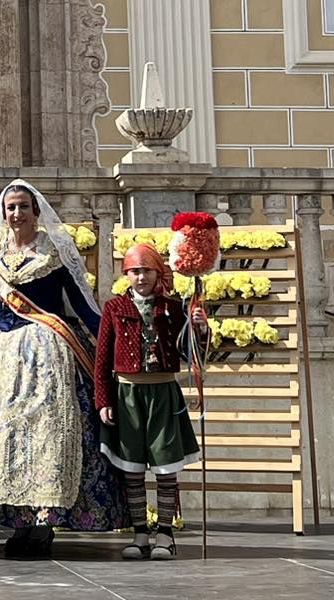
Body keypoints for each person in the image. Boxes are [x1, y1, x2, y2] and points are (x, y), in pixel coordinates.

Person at [0, 179, 127, 557]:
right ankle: (17, 521)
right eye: (11, 207)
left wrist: (117, 339)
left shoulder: (53, 253)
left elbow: (81, 306)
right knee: (2, 437)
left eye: (22, 206)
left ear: (36, 212)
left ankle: (43, 521)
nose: (16, 213)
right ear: (4, 214)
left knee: (45, 433)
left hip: (46, 349)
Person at [95, 240, 204, 560]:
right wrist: (103, 400)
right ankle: (140, 534)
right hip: (127, 395)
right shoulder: (114, 308)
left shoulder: (173, 308)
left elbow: (190, 351)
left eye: (147, 270)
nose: (141, 277)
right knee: (132, 470)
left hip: (163, 394)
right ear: (126, 275)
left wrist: (198, 328)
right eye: (135, 271)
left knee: (166, 467)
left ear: (158, 273)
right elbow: (102, 359)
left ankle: (165, 535)